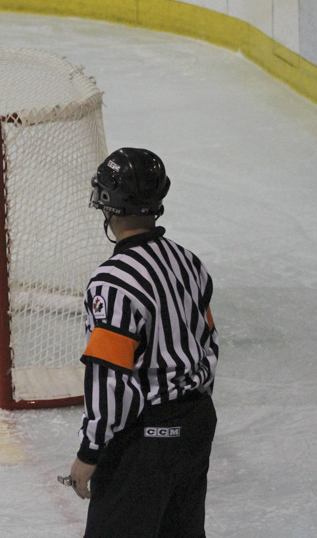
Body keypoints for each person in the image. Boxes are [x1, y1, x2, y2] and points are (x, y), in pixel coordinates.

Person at [65, 147, 219, 537]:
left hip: (146, 438)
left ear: (105, 203)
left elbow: (110, 377)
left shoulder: (114, 280)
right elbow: (209, 344)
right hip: (197, 423)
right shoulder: (189, 262)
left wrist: (90, 452)